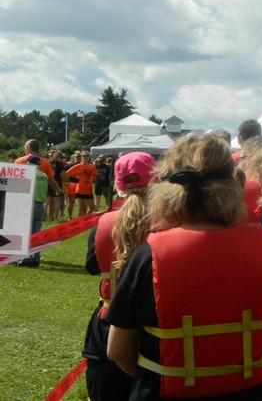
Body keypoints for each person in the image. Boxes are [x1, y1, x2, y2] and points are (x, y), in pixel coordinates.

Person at [107, 133, 262, 400]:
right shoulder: (261, 250)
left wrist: (150, 377)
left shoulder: (147, 257)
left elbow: (117, 351)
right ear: (232, 186)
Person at [83, 152, 156, 400]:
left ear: (118, 186)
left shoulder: (102, 225)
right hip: (154, 328)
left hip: (106, 325)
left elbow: (92, 267)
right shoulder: (169, 223)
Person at [16, 155, 49, 267]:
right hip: (40, 205)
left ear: (30, 164)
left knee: (24, 232)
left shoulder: (28, 175)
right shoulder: (44, 176)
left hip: (29, 204)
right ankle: (36, 257)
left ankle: (25, 258)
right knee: (36, 233)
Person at [66, 151, 98, 216]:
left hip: (89, 190)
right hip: (80, 189)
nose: (85, 157)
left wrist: (95, 184)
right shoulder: (78, 166)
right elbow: (67, 173)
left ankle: (86, 218)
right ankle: (80, 220)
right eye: (83, 156)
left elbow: (95, 175)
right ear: (81, 157)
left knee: (92, 207)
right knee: (81, 207)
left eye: (87, 156)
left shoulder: (92, 166)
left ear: (89, 157)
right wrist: (75, 178)